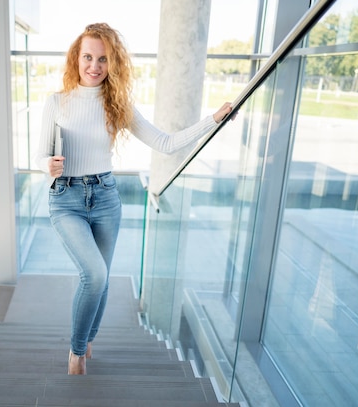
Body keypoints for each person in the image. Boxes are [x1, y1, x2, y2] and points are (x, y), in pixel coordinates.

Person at [34, 23, 233, 375]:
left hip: (107, 198)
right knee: (93, 274)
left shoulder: (118, 106)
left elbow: (166, 143)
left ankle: (89, 337)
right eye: (87, 57)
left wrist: (212, 120)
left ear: (113, 64)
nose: (94, 65)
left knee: (103, 278)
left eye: (103, 59)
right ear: (76, 59)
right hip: (66, 199)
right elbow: (38, 157)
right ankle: (76, 353)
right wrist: (46, 165)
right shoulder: (56, 103)